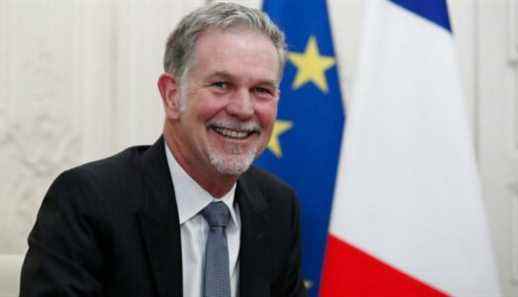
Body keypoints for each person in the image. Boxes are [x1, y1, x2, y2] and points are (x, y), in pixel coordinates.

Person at [19, 3, 306, 297]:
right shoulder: (88, 202)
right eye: (221, 85)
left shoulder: (278, 207)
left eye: (262, 90)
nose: (244, 109)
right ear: (172, 96)